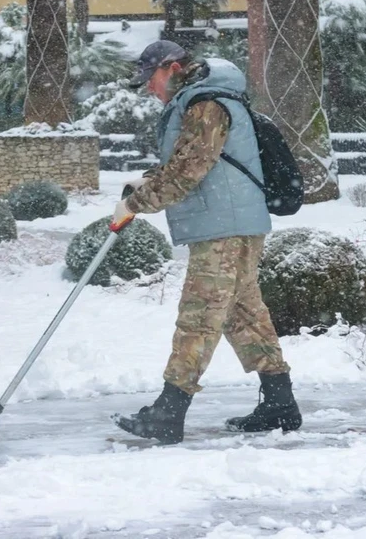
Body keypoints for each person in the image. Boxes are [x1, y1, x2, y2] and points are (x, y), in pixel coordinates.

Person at [111, 40, 301, 444]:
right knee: (244, 313)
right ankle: (279, 402)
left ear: (173, 68)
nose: (149, 88)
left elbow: (189, 170)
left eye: (152, 78)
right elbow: (190, 162)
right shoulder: (205, 101)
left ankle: (169, 410)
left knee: (200, 314)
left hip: (223, 228)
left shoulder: (206, 105)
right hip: (234, 222)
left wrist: (135, 203)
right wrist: (148, 181)